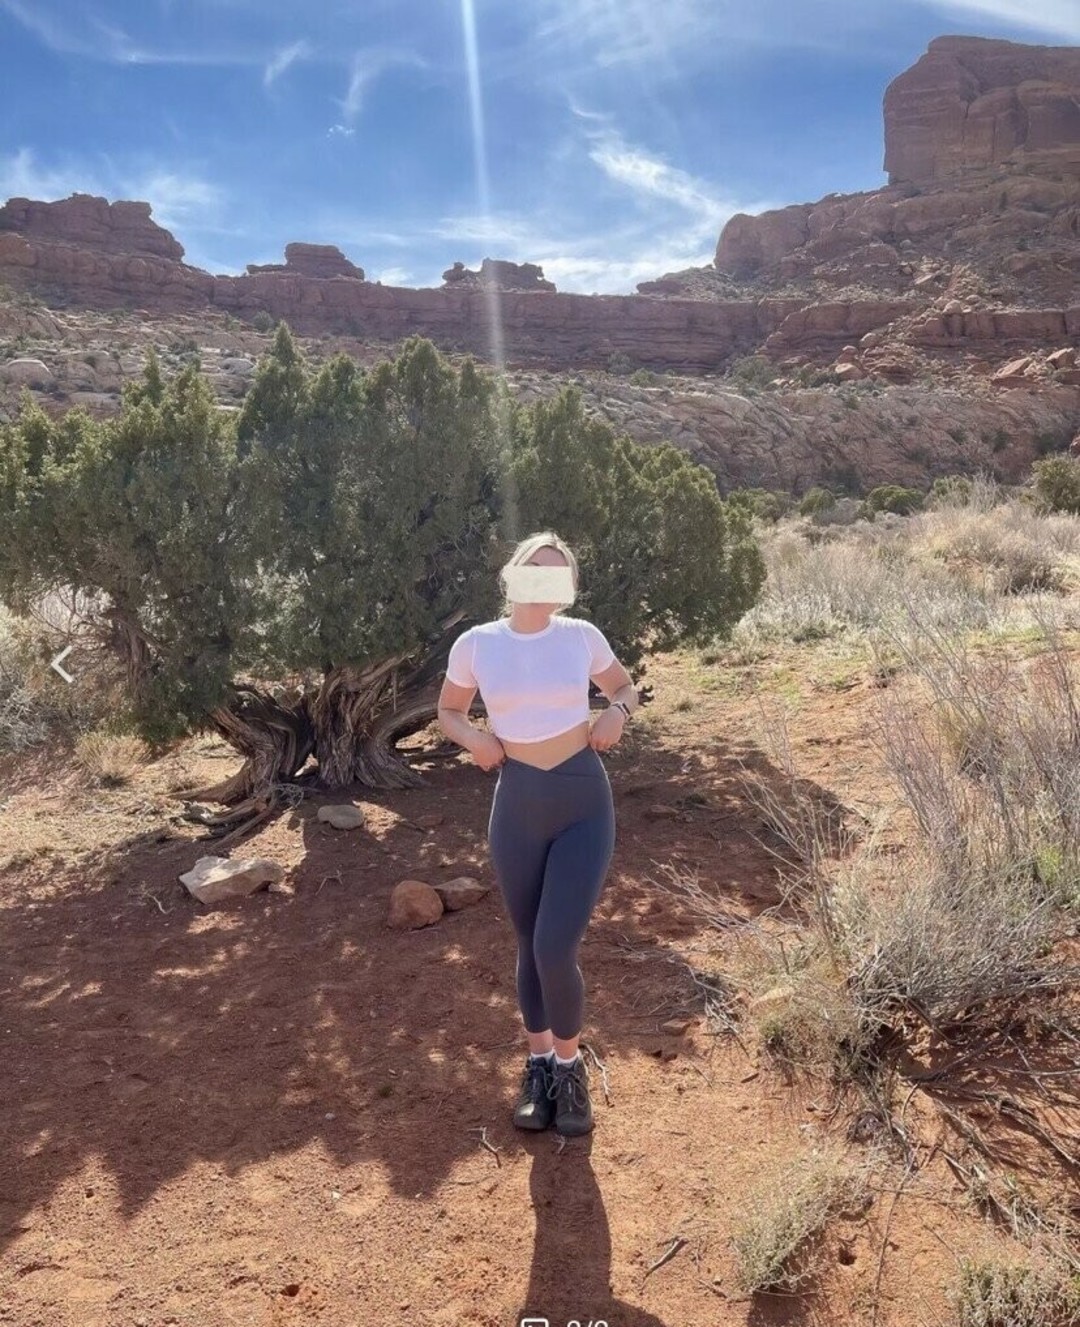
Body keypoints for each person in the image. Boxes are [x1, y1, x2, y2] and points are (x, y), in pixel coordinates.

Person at [436, 532, 638, 1136]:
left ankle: (571, 1071)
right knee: (528, 943)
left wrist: (617, 712)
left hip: (582, 802)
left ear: (567, 587)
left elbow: (624, 686)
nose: (545, 581)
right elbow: (448, 711)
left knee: (554, 946)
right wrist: (474, 739)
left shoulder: (581, 636)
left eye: (558, 573)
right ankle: (539, 1066)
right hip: (517, 802)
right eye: (535, 568)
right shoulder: (477, 643)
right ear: (512, 573)